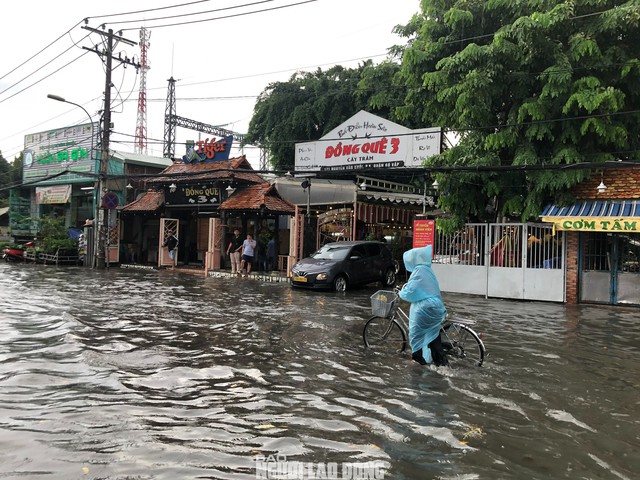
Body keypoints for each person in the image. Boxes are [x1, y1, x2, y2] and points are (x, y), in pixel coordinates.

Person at [399, 244, 449, 366]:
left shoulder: (418, 271)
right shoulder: (427, 270)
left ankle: (418, 360)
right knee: (433, 333)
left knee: (416, 332)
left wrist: (402, 291)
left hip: (426, 307)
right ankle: (440, 361)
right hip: (437, 306)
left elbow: (410, 291)